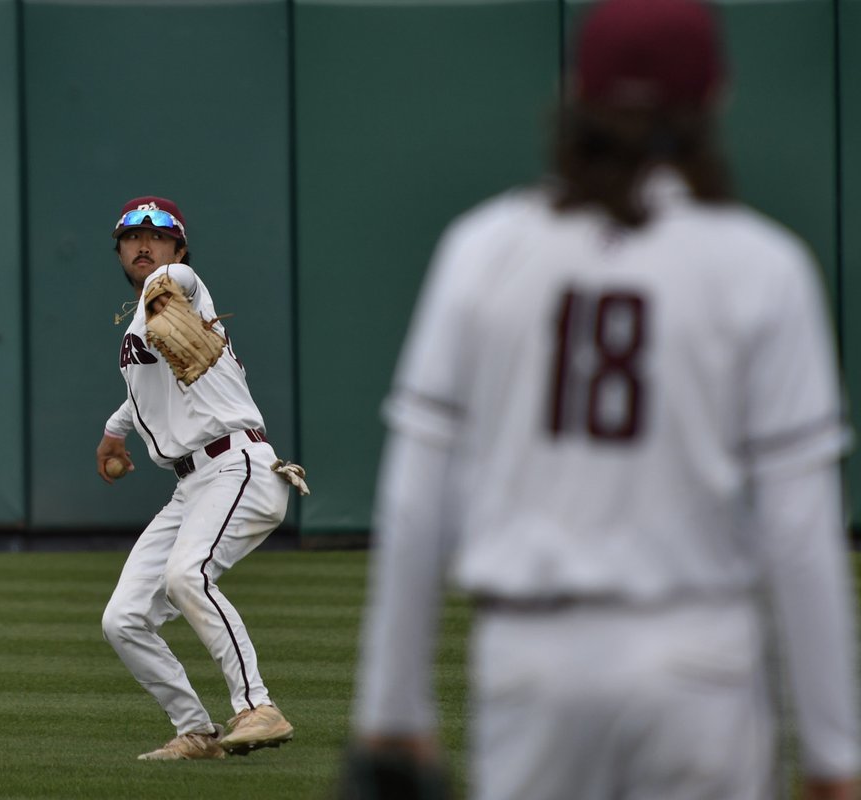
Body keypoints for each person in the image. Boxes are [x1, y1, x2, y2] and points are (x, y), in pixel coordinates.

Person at [343, 0, 860, 798]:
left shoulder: (482, 250)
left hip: (531, 659)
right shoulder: (764, 266)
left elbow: (416, 501)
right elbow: (800, 528)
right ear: (715, 98)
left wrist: (391, 708)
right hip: (698, 661)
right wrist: (833, 756)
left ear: (572, 96)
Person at [97, 196, 306, 761]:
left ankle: (257, 707)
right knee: (124, 619)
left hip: (239, 466)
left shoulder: (180, 286)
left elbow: (176, 279)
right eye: (131, 237)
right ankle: (197, 731)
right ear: (117, 249)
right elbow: (142, 390)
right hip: (192, 484)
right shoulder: (142, 322)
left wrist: (167, 279)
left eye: (157, 236)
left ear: (179, 247)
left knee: (187, 574)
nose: (144, 245)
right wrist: (114, 433)